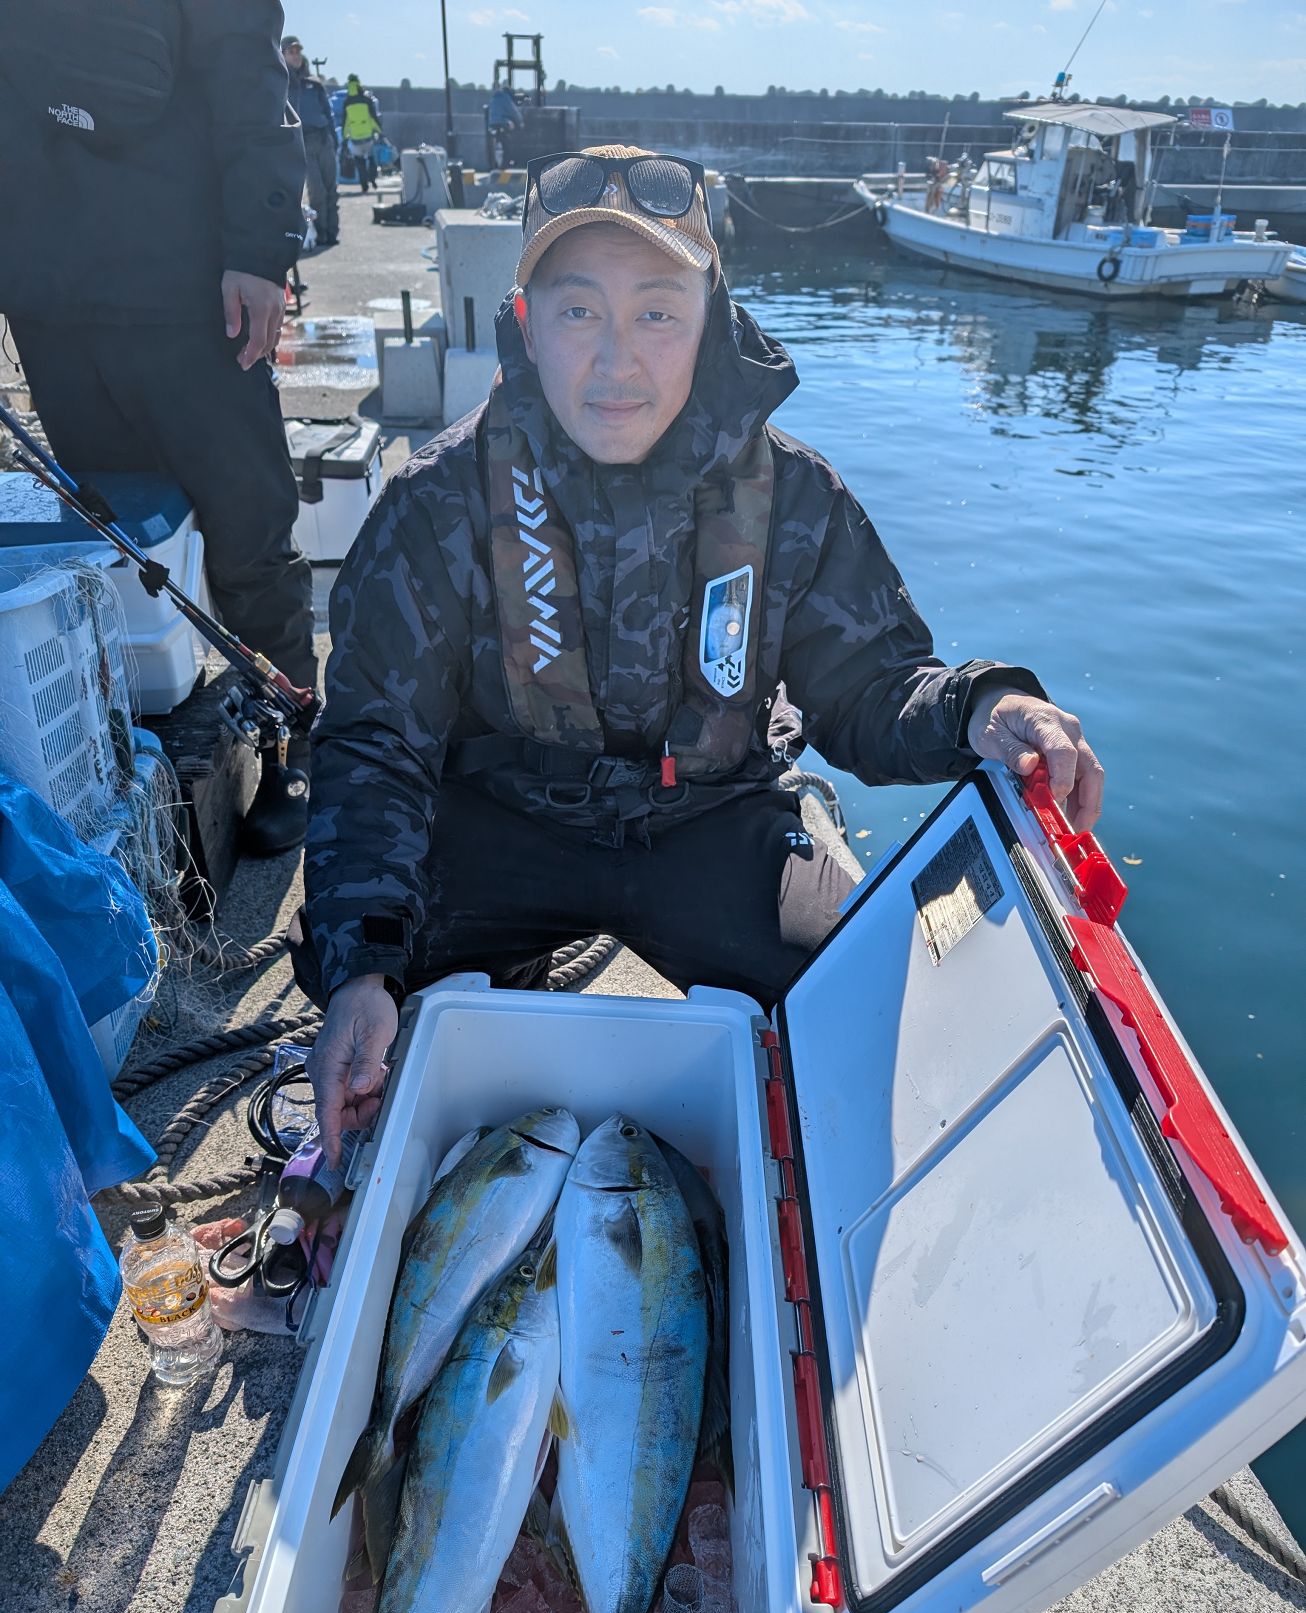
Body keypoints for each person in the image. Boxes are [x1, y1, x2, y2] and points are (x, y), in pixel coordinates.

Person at [299, 144, 1104, 1157]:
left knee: (854, 1011)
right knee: (385, 1014)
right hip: (503, 823)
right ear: (526, 325)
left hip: (711, 822)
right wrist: (362, 968)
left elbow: (870, 685)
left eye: (657, 313)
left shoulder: (795, 496)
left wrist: (983, 706)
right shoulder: (434, 502)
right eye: (578, 311)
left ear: (710, 320)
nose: (616, 360)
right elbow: (375, 740)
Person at [0, 0, 318, 856]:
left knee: (247, 532)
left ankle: (291, 741)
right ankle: (134, 747)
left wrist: (260, 249)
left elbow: (248, 80)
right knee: (110, 548)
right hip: (46, 295)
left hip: (187, 286)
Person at [282, 34, 339, 247]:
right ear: (282, 55)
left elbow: (328, 112)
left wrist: (334, 138)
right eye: (291, 52)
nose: (295, 55)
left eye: (298, 51)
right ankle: (320, 234)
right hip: (302, 144)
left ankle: (332, 234)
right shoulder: (281, 83)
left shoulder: (314, 84)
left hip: (323, 140)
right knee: (317, 192)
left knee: (331, 189)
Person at [341, 73, 383, 194]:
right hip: (368, 137)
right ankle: (373, 178)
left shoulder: (347, 102)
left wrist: (345, 137)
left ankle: (364, 185)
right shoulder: (366, 100)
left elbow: (345, 122)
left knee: (360, 163)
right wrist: (379, 131)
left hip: (355, 138)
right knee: (371, 158)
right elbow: (373, 118)